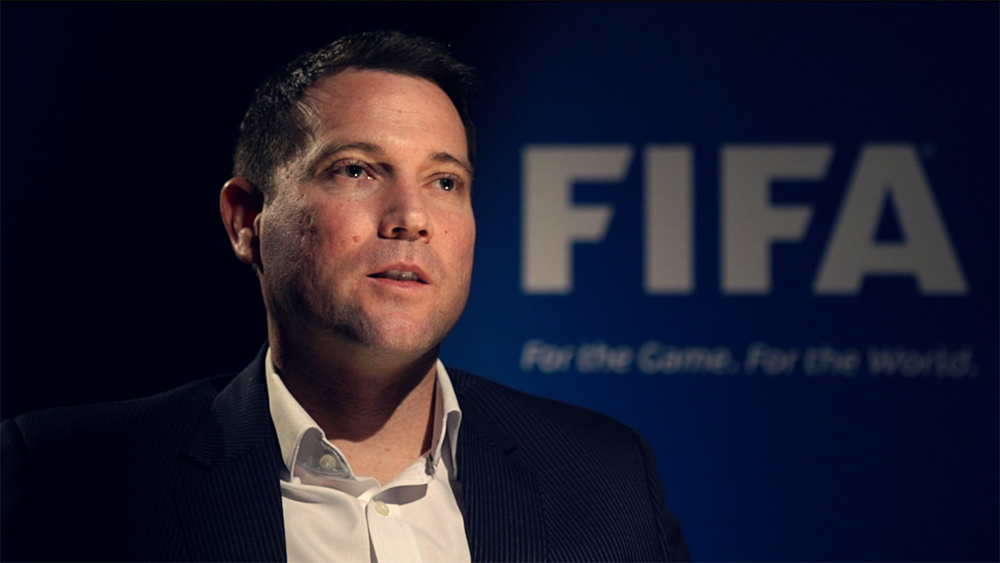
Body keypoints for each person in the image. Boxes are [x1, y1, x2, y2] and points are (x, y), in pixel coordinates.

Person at [0, 31, 690, 562]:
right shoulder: (68, 477)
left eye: (445, 182)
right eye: (357, 170)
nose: (411, 217)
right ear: (246, 221)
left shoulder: (605, 480)